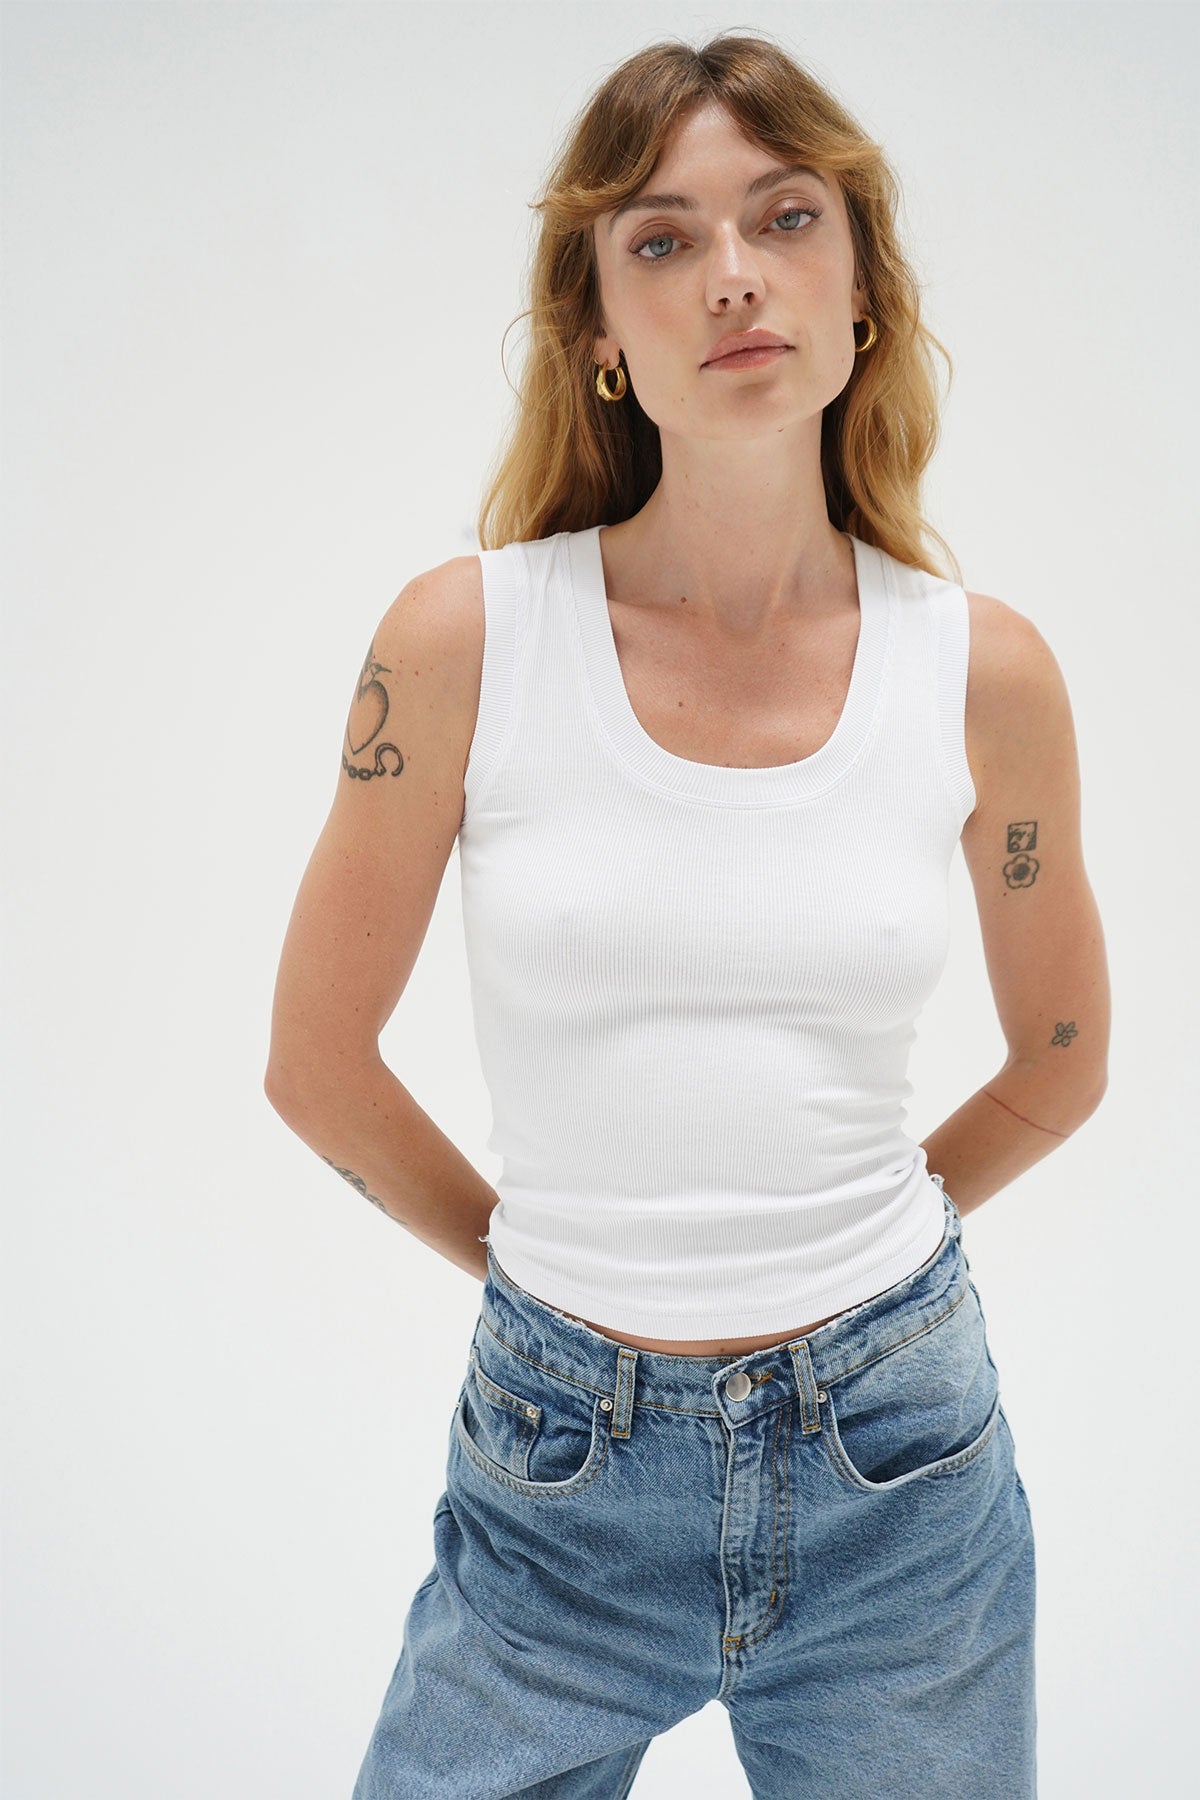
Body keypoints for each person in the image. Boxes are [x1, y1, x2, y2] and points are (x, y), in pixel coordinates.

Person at [265, 29, 1109, 1799]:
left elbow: (1060, 1058)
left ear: (860, 290)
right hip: (557, 1483)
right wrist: (559, 1292)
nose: (733, 274)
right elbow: (317, 1065)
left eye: (785, 218)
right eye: (661, 238)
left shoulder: (985, 674)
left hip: (903, 1481)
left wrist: (847, 1275)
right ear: (598, 332)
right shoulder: (465, 643)